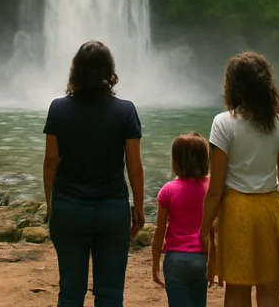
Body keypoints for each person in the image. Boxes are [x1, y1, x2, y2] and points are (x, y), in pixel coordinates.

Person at [43, 41, 145, 307]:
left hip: (68, 208)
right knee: (110, 294)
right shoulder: (126, 111)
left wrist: (50, 202)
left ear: (75, 70)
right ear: (109, 71)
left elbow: (50, 161)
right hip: (111, 210)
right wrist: (139, 207)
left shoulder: (58, 109)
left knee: (70, 293)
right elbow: (134, 166)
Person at [201, 52, 279, 307]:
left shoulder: (223, 123)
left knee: (236, 290)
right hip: (270, 208)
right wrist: (275, 209)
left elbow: (216, 187)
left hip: (235, 211)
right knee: (270, 290)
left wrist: (204, 226)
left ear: (234, 85)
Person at [151, 132, 210, 307]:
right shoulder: (211, 189)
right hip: (202, 258)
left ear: (175, 160)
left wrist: (155, 263)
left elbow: (160, 229)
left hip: (175, 259)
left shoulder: (168, 190)